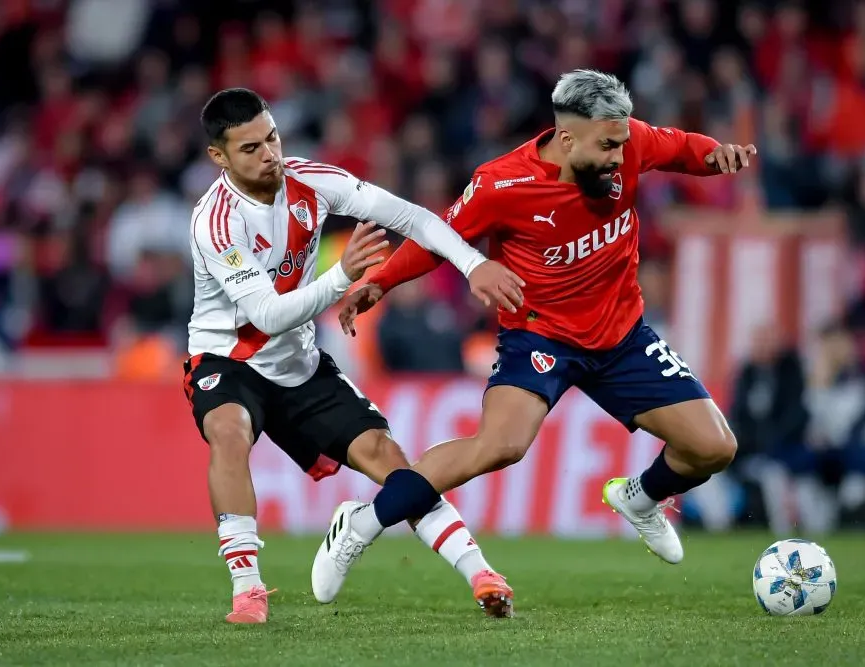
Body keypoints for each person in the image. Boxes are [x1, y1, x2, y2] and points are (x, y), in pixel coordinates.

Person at [318, 70, 756, 603]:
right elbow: (440, 237)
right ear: (567, 139)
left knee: (714, 447)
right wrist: (380, 281)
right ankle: (362, 524)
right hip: (540, 337)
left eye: (623, 142)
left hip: (622, 337)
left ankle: (640, 498)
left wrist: (717, 155)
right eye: (608, 146)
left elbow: (683, 148)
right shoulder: (504, 183)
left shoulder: (629, 139)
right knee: (500, 445)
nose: (621, 157)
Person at [184, 88, 524, 624]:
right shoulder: (216, 222)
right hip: (229, 359)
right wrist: (343, 275)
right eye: (249, 148)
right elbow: (268, 316)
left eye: (271, 137)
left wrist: (472, 264)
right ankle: (247, 588)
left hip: (298, 361)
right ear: (219, 157)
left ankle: (480, 572)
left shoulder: (311, 181)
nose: (269, 153)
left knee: (390, 460)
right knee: (229, 431)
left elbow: (414, 218)